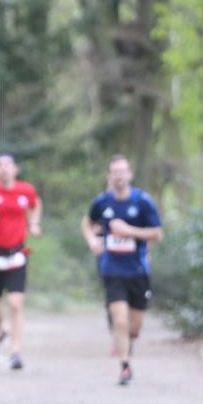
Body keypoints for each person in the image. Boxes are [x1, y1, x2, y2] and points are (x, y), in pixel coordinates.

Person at [80, 155, 162, 385]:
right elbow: (86, 223)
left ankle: (129, 339)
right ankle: (125, 366)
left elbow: (157, 234)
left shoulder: (143, 201)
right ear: (109, 176)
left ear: (130, 174)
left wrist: (129, 231)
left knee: (134, 326)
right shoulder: (102, 202)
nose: (119, 176)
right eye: (114, 172)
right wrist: (92, 241)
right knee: (119, 321)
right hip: (112, 269)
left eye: (122, 171)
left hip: (138, 271)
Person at [0, 152, 42, 370]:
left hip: (17, 254)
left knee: (15, 303)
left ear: (16, 168)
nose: (4, 168)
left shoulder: (26, 190)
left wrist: (34, 223)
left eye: (8, 164)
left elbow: (36, 204)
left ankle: (15, 352)